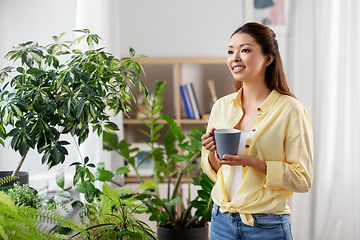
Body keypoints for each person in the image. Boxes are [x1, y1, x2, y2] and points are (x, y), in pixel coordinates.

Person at [201, 22, 313, 240]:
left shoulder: (291, 111)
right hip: (221, 222)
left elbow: (302, 179)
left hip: (267, 226)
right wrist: (214, 154)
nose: (235, 58)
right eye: (230, 51)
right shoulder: (221, 107)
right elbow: (214, 169)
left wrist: (253, 162)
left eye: (244, 50)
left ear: (268, 58)